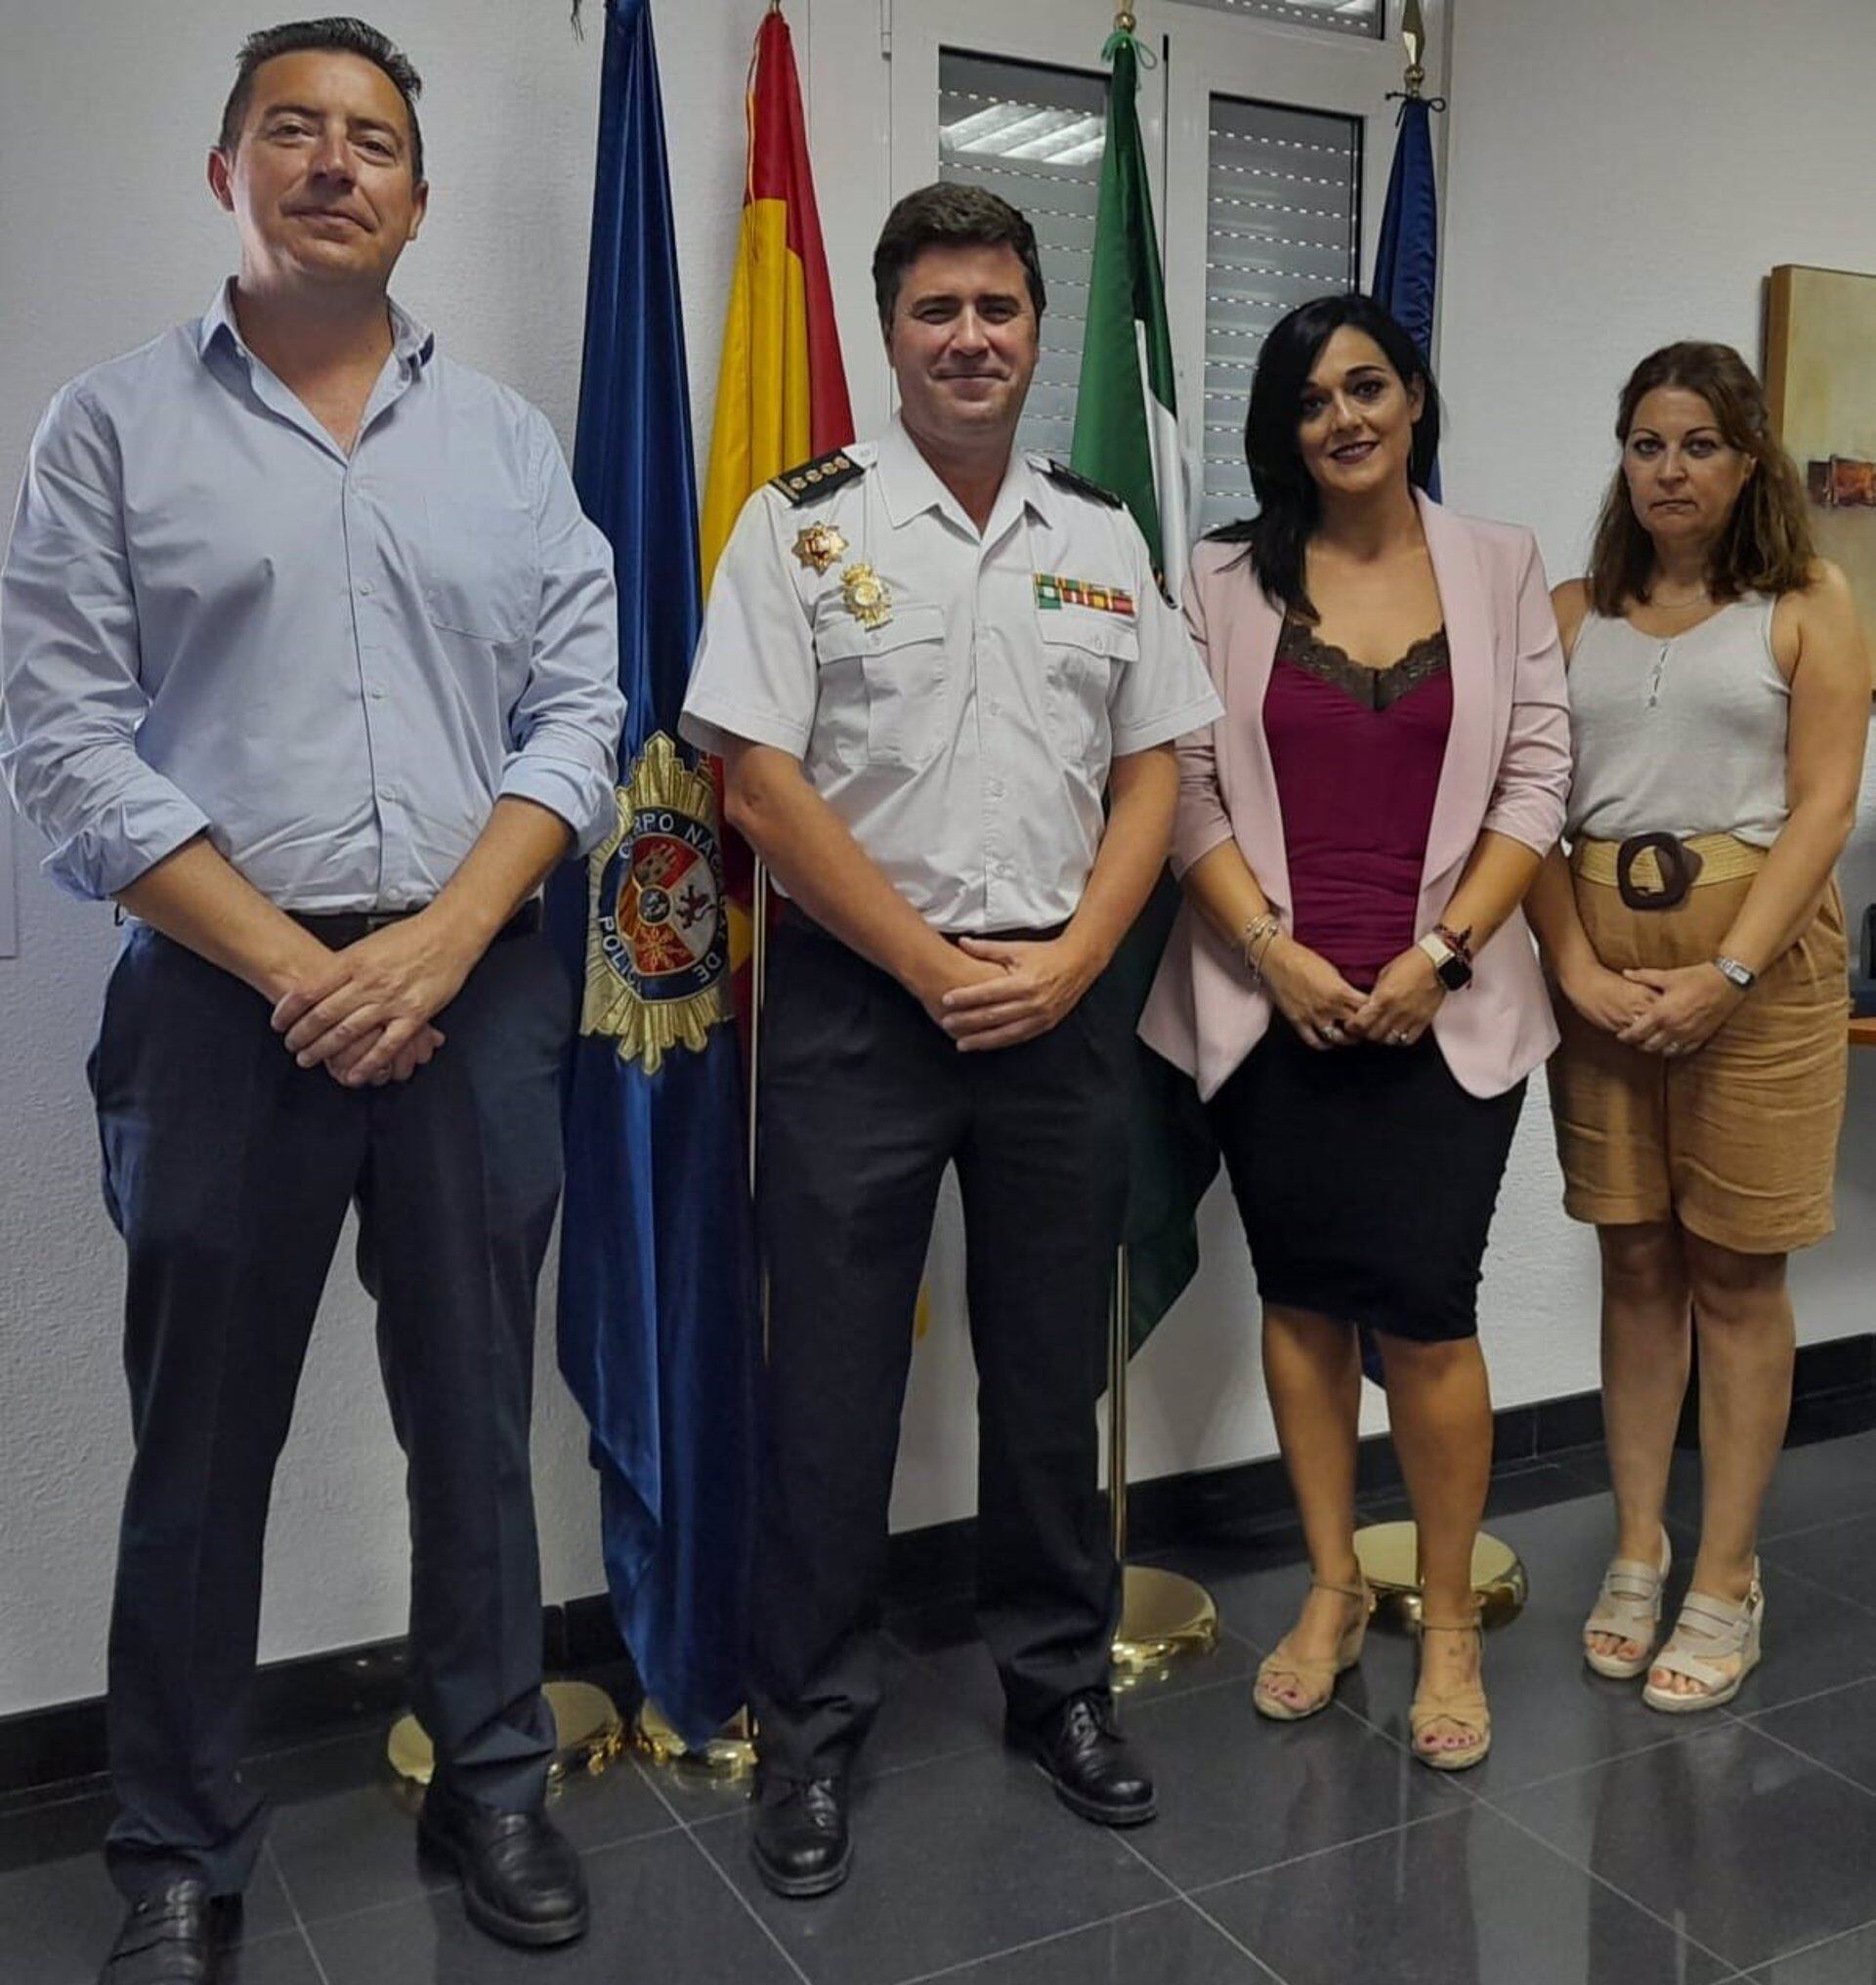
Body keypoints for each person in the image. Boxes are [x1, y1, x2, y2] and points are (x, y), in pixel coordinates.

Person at [0, 20, 624, 1976]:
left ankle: (495, 1781)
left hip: (477, 984)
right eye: (295, 130)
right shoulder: (105, 430)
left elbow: (585, 713)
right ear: (228, 173)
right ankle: (177, 1848)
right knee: (200, 1446)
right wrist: (297, 961)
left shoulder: (509, 445)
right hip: (217, 999)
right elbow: (69, 747)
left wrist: (439, 944)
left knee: (470, 1416)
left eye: (372, 139)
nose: (335, 162)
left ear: (418, 196)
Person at [681, 181, 1219, 1897]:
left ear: (1038, 330)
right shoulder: (799, 524)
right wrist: (926, 962)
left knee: (1051, 1370)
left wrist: (1073, 959)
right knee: (830, 1387)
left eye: (998, 308)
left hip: (1060, 1003)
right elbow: (752, 778)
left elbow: (1158, 768)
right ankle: (814, 1732)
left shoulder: (1099, 533)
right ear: (889, 330)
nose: (971, 338)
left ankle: (1057, 1686)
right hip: (861, 1002)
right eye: (936, 312)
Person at [1139, 294, 1570, 1771]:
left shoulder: (1503, 567)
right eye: (1314, 400)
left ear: (1416, 396)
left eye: (1368, 386)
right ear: (1287, 427)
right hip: (1280, 1013)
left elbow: (1536, 780)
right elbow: (1184, 786)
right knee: (1307, 1300)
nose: (1346, 418)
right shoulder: (1215, 579)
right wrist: (1277, 954)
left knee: (1430, 1310)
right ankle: (1329, 1588)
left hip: (1446, 1013)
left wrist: (1439, 956)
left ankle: (1443, 1617)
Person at [1526, 342, 1867, 1711]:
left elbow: (1826, 805)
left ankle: (1725, 1576)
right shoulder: (1567, 610)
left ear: (1749, 463)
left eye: (1701, 446)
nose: (1672, 471)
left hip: (1758, 979)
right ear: (1624, 457)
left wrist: (1723, 972)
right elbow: (1525, 803)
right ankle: (1636, 1548)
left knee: (1736, 1275)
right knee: (1634, 1262)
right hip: (1603, 972)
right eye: (1649, 444)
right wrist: (1570, 964)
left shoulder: (1808, 600)